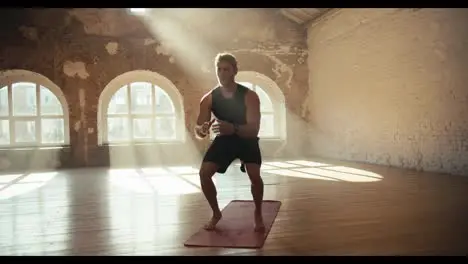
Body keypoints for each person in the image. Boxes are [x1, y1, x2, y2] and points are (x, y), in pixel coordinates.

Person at [194, 52, 265, 232]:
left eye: (226, 69)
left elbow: (253, 130)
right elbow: (199, 130)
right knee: (204, 174)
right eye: (219, 69)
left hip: (246, 138)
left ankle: (258, 212)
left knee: (255, 177)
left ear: (234, 71)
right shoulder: (208, 98)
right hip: (225, 139)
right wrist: (201, 131)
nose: (222, 73)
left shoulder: (249, 96)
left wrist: (233, 128)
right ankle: (216, 213)